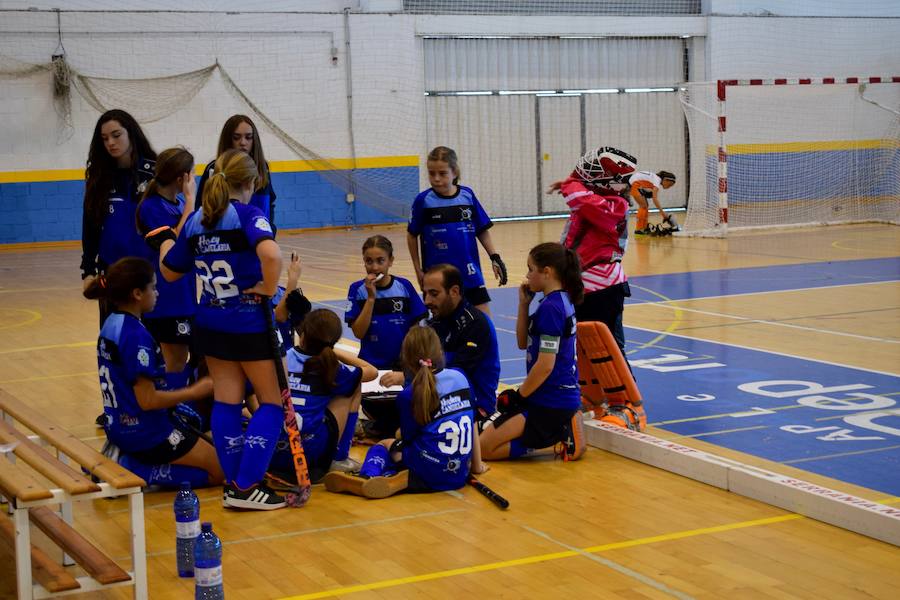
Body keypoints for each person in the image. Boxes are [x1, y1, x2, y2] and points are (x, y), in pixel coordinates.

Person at [155, 149, 286, 510]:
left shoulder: (198, 220)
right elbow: (272, 256)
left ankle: (233, 484)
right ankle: (247, 485)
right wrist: (268, 289)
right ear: (252, 182)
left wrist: (169, 237)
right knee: (271, 404)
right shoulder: (247, 215)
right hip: (247, 323)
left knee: (227, 402)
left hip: (210, 323)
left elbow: (168, 272)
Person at [84, 257, 222, 487]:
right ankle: (131, 468)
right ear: (137, 294)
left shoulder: (111, 325)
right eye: (153, 288)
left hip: (119, 425)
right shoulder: (135, 336)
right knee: (219, 472)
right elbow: (147, 400)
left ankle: (126, 456)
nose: (157, 293)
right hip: (145, 433)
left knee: (200, 434)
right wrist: (195, 391)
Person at [323, 326, 478, 498]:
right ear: (440, 352)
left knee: (385, 444)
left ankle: (368, 475)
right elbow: (473, 423)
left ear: (406, 359)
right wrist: (476, 466)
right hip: (459, 473)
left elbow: (407, 437)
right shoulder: (460, 377)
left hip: (428, 469)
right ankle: (397, 479)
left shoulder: (409, 394)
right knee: (418, 450)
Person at [479, 242, 586, 462]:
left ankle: (559, 438)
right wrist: (523, 305)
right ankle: (557, 437)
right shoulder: (554, 302)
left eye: (530, 269)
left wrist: (519, 396)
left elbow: (546, 365)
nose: (527, 276)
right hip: (543, 396)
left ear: (547, 272)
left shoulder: (552, 308)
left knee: (482, 449)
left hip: (551, 401)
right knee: (483, 446)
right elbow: (521, 342)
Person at [268, 309, 377, 484]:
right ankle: (339, 458)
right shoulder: (333, 368)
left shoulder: (282, 359)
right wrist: (334, 351)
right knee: (353, 386)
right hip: (310, 453)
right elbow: (372, 372)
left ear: (302, 334)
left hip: (272, 449)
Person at [380, 264, 500, 421]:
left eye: (434, 294)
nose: (427, 301)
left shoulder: (475, 324)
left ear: (454, 292)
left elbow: (458, 373)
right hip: (436, 399)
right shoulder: (434, 322)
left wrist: (407, 377)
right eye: (425, 294)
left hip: (472, 405)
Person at [549, 149, 634, 355]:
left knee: (610, 348)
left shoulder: (615, 205)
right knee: (584, 348)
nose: (583, 174)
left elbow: (579, 197)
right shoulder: (599, 198)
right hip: (584, 284)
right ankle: (587, 387)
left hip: (603, 288)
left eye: (592, 172)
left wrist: (569, 183)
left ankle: (625, 388)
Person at [407, 146, 507, 315]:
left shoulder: (467, 196)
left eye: (442, 173)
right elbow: (411, 235)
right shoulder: (423, 201)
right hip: (437, 277)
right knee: (444, 325)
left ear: (454, 172)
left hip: (470, 273)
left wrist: (494, 257)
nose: (436, 179)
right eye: (432, 173)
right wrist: (418, 269)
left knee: (484, 322)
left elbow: (481, 230)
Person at [81, 109, 157, 323]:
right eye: (104, 138)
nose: (110, 143)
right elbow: (90, 226)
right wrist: (87, 270)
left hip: (149, 272)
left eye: (116, 135)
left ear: (131, 133)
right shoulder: (98, 177)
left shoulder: (155, 172)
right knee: (115, 337)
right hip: (112, 271)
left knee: (152, 341)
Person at [135, 147, 198, 384]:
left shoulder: (179, 204)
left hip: (186, 293)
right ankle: (171, 411)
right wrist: (191, 202)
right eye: (192, 174)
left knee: (189, 357)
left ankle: (184, 406)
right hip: (167, 297)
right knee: (175, 359)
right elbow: (174, 241)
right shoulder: (151, 207)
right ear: (182, 177)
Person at [346, 235, 427, 370]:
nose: (375, 267)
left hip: (403, 365)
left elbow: (416, 332)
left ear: (390, 261)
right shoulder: (357, 290)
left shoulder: (404, 286)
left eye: (380, 261)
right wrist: (371, 298)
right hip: (370, 365)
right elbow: (358, 333)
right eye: (369, 261)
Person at [197, 115, 277, 224]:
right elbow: (200, 206)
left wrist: (271, 229)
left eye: (248, 137)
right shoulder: (213, 168)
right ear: (228, 139)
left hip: (260, 234)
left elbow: (270, 202)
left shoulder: (263, 168)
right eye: (236, 137)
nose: (243, 143)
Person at [628, 170, 677, 235]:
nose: (669, 187)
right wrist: (663, 214)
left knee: (645, 206)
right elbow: (655, 199)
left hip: (636, 183)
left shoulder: (654, 179)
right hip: (635, 184)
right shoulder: (657, 180)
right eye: (670, 184)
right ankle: (639, 230)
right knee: (643, 206)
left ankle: (643, 228)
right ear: (665, 180)